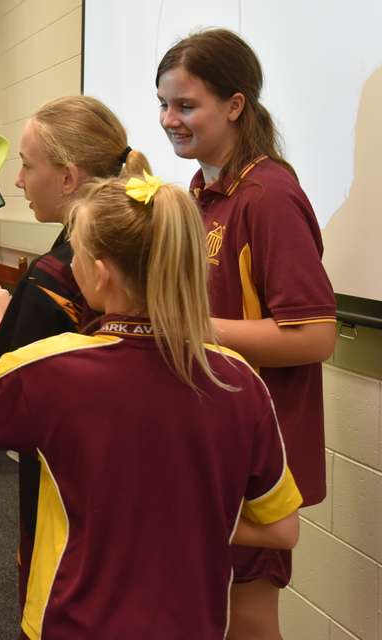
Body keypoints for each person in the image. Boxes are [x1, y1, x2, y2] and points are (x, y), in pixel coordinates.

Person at [0, 174, 302, 639]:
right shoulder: (238, 381)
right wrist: (187, 516)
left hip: (74, 624)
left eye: (78, 254)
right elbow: (281, 530)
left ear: (100, 273)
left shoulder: (53, 368)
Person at [156, 28, 336, 638]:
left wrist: (191, 329)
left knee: (251, 620)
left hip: (260, 449)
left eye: (186, 105)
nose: (169, 119)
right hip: (213, 436)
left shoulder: (269, 195)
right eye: (164, 104)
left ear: (235, 105)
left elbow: (315, 336)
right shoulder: (203, 189)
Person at [0, 96, 151, 610]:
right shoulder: (148, 250)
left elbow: (16, 399)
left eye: (27, 166)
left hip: (69, 500)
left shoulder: (52, 279)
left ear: (68, 178)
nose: (20, 182)